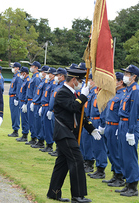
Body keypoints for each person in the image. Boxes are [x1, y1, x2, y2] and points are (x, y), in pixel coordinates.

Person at [47, 68, 101, 202]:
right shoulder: (62, 93)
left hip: (69, 133)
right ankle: (77, 196)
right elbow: (73, 107)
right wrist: (83, 96)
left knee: (62, 164)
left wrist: (91, 129)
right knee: (77, 161)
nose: (81, 83)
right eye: (80, 80)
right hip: (64, 133)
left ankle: (54, 193)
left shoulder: (73, 94)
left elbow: (80, 114)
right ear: (73, 80)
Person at [115, 65, 139, 197]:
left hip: (129, 125)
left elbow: (134, 113)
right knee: (123, 156)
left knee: (130, 157)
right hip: (122, 125)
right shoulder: (128, 90)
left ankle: (133, 187)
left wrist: (131, 131)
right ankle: (127, 184)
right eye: (125, 73)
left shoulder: (136, 91)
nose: (125, 75)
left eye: (127, 73)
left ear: (134, 76)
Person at [101, 72, 126, 187]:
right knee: (109, 152)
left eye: (115, 80)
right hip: (109, 125)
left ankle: (120, 177)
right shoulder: (114, 94)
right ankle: (114, 175)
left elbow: (122, 113)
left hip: (115, 126)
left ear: (121, 82)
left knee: (116, 152)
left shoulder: (123, 95)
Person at [47, 68, 66, 157]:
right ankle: (57, 149)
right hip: (54, 111)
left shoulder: (63, 86)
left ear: (62, 76)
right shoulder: (58, 85)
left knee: (59, 132)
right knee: (55, 131)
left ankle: (59, 150)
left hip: (59, 113)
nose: (55, 77)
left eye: (57, 75)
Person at [30, 65, 49, 149]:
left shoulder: (46, 82)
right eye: (41, 71)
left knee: (40, 124)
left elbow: (44, 95)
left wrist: (41, 105)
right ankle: (39, 140)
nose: (41, 73)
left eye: (43, 72)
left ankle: (41, 141)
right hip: (36, 104)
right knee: (36, 124)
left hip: (40, 105)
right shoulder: (42, 81)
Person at [81, 74, 96, 173]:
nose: (88, 81)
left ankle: (90, 163)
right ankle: (84, 160)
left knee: (89, 143)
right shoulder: (88, 92)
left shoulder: (95, 93)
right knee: (83, 141)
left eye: (90, 79)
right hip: (85, 118)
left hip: (91, 119)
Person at [40, 67, 57, 152]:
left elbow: (52, 98)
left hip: (48, 107)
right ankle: (47, 144)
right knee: (44, 126)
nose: (47, 75)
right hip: (44, 106)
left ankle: (50, 144)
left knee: (48, 127)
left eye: (48, 73)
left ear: (53, 75)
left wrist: (50, 109)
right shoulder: (49, 83)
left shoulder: (53, 84)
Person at [25, 61, 41, 145]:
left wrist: (33, 101)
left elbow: (36, 92)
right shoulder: (33, 77)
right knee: (30, 120)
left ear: (36, 68)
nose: (31, 67)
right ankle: (32, 137)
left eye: (33, 66)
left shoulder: (37, 78)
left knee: (33, 121)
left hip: (33, 101)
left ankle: (34, 137)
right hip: (30, 100)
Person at [16, 67, 31, 142]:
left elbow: (27, 93)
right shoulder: (24, 80)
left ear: (24, 73)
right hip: (21, 101)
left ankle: (25, 135)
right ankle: (24, 134)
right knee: (23, 119)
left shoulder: (28, 80)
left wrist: (25, 103)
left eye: (21, 73)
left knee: (25, 119)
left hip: (24, 102)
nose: (20, 74)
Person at [8, 62, 22, 138]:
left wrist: (17, 98)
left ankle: (16, 130)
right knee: (13, 114)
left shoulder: (18, 77)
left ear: (17, 68)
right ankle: (14, 129)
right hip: (11, 97)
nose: (12, 68)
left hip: (14, 97)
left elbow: (18, 88)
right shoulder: (15, 76)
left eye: (14, 67)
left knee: (15, 114)